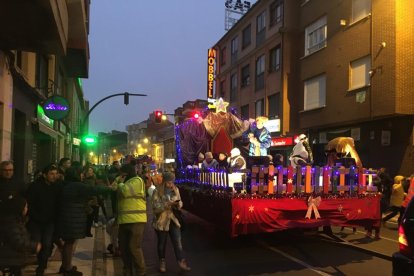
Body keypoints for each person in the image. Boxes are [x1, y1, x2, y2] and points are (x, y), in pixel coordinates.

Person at [57, 164, 110, 276]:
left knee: (68, 242)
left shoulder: (65, 184)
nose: (82, 175)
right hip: (72, 218)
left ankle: (65, 265)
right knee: (69, 243)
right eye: (81, 173)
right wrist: (109, 188)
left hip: (66, 216)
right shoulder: (76, 186)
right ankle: (67, 268)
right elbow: (93, 189)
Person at [25, 164, 61, 276]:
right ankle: (41, 261)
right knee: (37, 243)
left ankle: (42, 265)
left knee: (46, 243)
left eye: (56, 174)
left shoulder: (57, 187)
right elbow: (29, 203)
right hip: (36, 221)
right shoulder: (35, 186)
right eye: (51, 174)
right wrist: (34, 216)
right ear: (45, 175)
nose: (54, 176)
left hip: (50, 222)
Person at [151, 172, 191, 273]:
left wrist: (178, 204)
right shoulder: (157, 191)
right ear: (164, 182)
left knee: (177, 243)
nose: (171, 184)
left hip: (174, 219)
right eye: (169, 182)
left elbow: (180, 201)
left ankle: (181, 262)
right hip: (162, 221)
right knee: (162, 244)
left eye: (172, 182)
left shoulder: (175, 189)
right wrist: (167, 204)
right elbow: (155, 207)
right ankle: (162, 262)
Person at [112, 164, 147, 276]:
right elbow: (112, 187)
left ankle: (141, 272)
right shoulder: (123, 182)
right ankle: (127, 270)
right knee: (124, 248)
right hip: (123, 220)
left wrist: (120, 182)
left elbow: (125, 191)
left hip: (136, 220)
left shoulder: (137, 181)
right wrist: (118, 180)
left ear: (126, 173)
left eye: (122, 173)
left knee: (134, 247)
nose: (121, 175)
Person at [0, 194, 41, 276]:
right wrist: (34, 246)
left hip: (13, 259)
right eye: (25, 207)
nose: (27, 209)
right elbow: (18, 241)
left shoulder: (17, 221)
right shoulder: (11, 223)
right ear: (19, 208)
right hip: (10, 259)